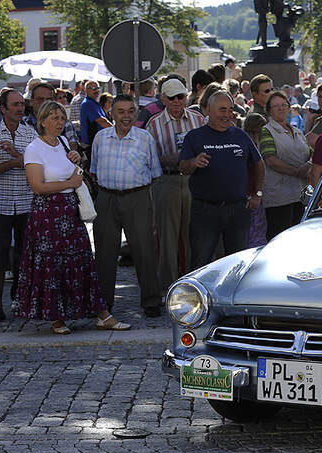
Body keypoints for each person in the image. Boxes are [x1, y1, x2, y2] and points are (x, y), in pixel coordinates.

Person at [16, 100, 129, 333]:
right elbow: (37, 186)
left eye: (62, 118)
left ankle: (102, 314)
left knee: (82, 261)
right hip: (47, 214)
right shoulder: (34, 149)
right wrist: (69, 182)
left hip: (70, 210)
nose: (59, 122)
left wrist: (75, 160)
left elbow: (71, 172)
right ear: (43, 121)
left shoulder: (64, 142)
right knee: (52, 264)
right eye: (54, 118)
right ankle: (56, 317)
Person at [90, 95, 163, 317]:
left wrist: (134, 191)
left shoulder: (145, 138)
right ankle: (104, 305)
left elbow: (154, 173)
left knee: (144, 251)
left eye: (131, 111)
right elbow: (93, 170)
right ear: (111, 113)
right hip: (106, 198)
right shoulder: (100, 138)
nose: (126, 116)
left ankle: (151, 302)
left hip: (137, 197)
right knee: (104, 253)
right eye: (121, 111)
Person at [179, 91, 264, 270]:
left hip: (238, 210)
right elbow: (183, 167)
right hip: (205, 211)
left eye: (230, 110)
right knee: (201, 263)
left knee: (238, 263)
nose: (227, 115)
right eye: (222, 110)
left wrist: (257, 194)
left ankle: (234, 298)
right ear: (208, 111)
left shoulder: (240, 135)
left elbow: (258, 164)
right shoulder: (194, 137)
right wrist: (194, 162)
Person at [146, 78, 205, 293]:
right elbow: (150, 159)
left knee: (195, 234)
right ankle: (167, 287)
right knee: (167, 237)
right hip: (167, 180)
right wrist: (174, 159)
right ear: (163, 98)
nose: (178, 101)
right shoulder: (153, 123)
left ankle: (195, 284)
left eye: (181, 96)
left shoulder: (198, 119)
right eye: (172, 98)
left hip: (196, 180)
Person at [0, 90, 38, 323]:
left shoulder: (31, 134)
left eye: (22, 105)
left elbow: (38, 167)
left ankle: (20, 299)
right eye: (15, 105)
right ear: (3, 108)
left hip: (26, 203)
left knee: (24, 255)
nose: (20, 108)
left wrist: (17, 159)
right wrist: (15, 162)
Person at [259, 91, 312, 240]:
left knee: (297, 240)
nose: (281, 108)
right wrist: (297, 172)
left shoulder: (297, 131)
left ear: (289, 107)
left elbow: (310, 152)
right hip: (279, 198)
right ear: (269, 110)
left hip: (299, 195)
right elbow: (270, 160)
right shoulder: (266, 131)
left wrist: (308, 164)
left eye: (284, 105)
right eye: (276, 106)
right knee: (280, 239)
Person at [242, 112, 268, 247]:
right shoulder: (251, 148)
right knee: (255, 237)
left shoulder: (244, 144)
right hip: (251, 197)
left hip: (251, 196)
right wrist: (257, 194)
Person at [80, 81, 112, 147]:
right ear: (86, 90)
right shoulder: (88, 103)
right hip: (91, 144)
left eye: (97, 88)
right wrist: (117, 131)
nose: (96, 90)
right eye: (93, 88)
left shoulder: (94, 103)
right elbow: (102, 121)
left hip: (97, 143)